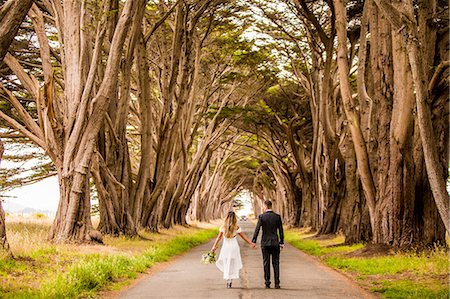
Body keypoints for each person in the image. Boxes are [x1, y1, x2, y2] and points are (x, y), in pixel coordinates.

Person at [211, 211, 256, 288]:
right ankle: (230, 279)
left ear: (227, 217)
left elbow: (218, 238)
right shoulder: (236, 227)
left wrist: (214, 247)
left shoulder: (223, 227)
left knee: (226, 262)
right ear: (234, 218)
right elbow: (243, 237)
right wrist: (251, 243)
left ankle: (228, 279)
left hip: (226, 247)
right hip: (234, 247)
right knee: (232, 263)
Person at [252, 200, 284, 289]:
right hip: (275, 242)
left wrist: (254, 241)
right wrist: (281, 242)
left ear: (265, 206)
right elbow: (281, 230)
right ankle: (277, 283)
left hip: (265, 243)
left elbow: (257, 229)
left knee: (266, 263)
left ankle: (267, 283)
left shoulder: (262, 217)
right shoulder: (277, 217)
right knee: (276, 263)